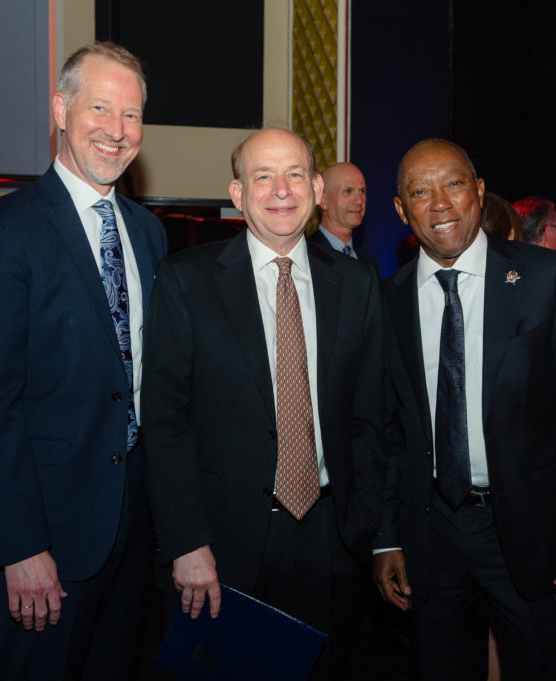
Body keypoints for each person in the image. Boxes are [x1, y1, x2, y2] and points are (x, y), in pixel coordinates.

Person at [0, 42, 167, 679]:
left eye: (131, 115)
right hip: (45, 528)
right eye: (100, 107)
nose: (117, 130)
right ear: (60, 109)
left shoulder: (147, 229)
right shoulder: (2, 230)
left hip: (131, 521)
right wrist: (20, 545)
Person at [373, 138, 556, 680]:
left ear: (479, 193)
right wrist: (388, 535)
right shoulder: (388, 300)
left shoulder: (545, 278)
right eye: (420, 191)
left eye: (454, 184)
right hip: (431, 534)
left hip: (534, 532)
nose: (440, 204)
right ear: (400, 209)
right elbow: (391, 432)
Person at [143, 127, 384, 681]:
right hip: (222, 545)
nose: (282, 189)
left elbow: (371, 417)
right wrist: (186, 543)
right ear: (237, 193)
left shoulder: (356, 284)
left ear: (317, 188)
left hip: (330, 538)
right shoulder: (186, 280)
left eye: (295, 173)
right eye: (263, 176)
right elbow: (164, 424)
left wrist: (362, 523)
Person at [309, 161, 379, 270]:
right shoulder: (307, 255)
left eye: (362, 191)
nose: (359, 200)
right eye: (348, 191)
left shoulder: (369, 264)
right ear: (323, 201)